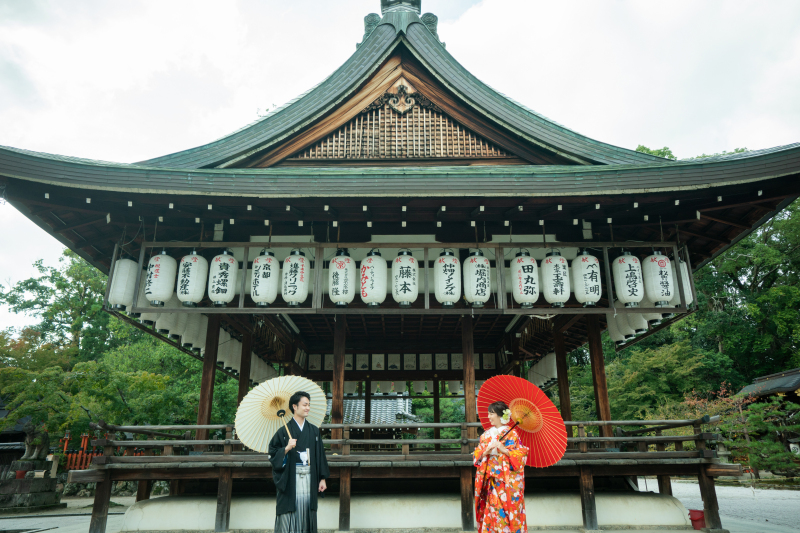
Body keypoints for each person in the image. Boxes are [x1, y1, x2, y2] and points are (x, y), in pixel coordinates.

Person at [268, 391, 330, 533]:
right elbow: (272, 453)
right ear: (294, 406)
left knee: (307, 510)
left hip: (309, 477)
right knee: (290, 512)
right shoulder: (283, 431)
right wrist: (286, 448)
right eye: (305, 404)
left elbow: (320, 455)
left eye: (309, 405)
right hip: (290, 478)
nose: (308, 407)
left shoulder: (314, 431)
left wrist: (322, 478)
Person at [473, 401, 529, 533]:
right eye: (488, 413)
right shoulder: (486, 435)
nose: (488, 416)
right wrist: (485, 452)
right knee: (492, 509)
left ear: (499, 415)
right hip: (491, 479)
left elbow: (522, 455)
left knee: (507, 509)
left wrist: (505, 450)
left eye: (491, 413)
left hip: (507, 481)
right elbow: (477, 454)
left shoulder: (512, 434)